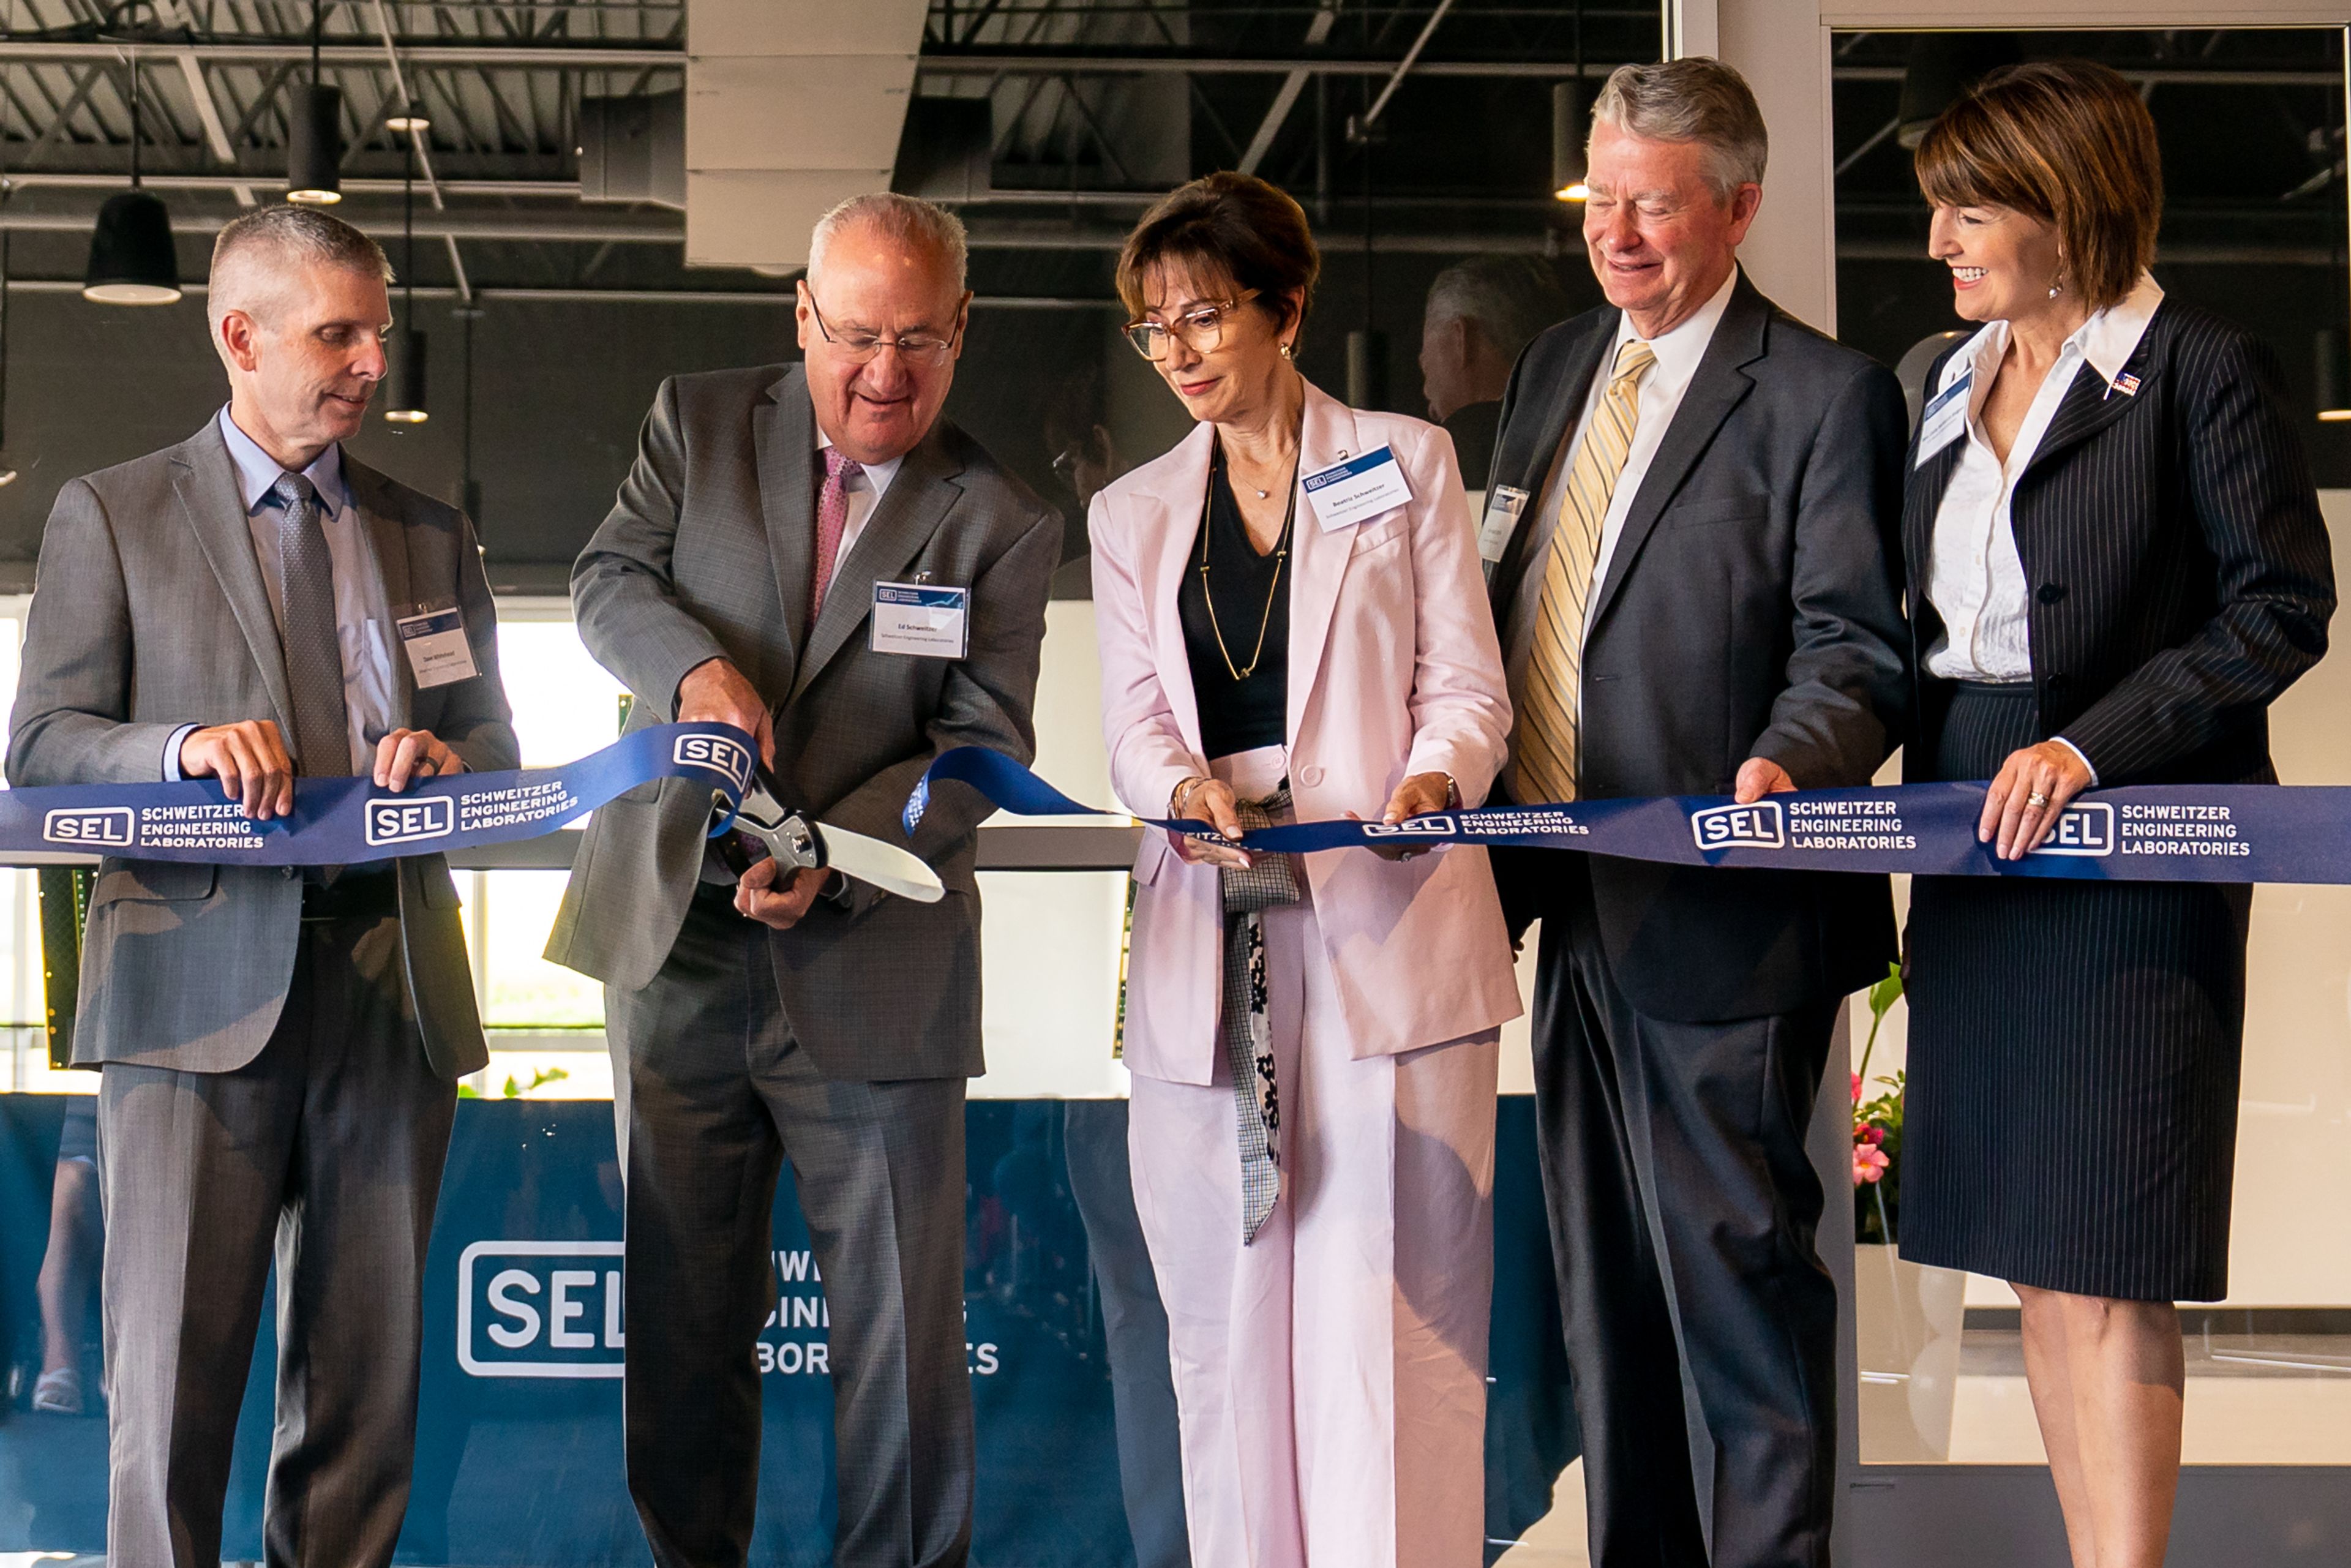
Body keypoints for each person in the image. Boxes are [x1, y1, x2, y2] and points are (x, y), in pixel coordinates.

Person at [545, 191, 1062, 1568]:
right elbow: (605, 578)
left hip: (871, 954)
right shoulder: (698, 419)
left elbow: (982, 746)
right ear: (802, 316)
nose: (883, 372)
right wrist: (691, 667)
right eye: (855, 336)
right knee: (680, 1321)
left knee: (901, 1348)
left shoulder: (1003, 517)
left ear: (964, 333)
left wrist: (831, 859)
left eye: (919, 341)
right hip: (678, 939)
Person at [6, 203, 516, 1568]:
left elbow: (497, 747)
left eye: (378, 332)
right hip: (190, 988)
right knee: (169, 1390)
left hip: (391, 985)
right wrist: (178, 748)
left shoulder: (430, 532)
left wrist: (445, 753)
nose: (369, 361)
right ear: (240, 336)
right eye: (336, 333)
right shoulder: (109, 512)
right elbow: (44, 748)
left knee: (367, 1391)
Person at [1899, 61, 2334, 1568]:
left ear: (2064, 207)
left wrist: (2090, 746)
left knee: (2108, 1249)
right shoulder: (1935, 378)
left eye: (1969, 210)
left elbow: (2278, 609)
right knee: (2029, 1258)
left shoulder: (2197, 366)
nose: (1940, 240)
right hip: (1969, 816)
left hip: (2126, 827)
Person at [1482, 59, 1909, 1567]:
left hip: (1723, 905)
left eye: (1651, 205)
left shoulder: (1820, 394)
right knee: (1603, 1285)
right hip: (1560, 889)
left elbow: (1855, 646)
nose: (1616, 232)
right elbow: (1510, 598)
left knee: (1732, 1277)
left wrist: (1791, 757)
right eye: (1598, 198)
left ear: (1735, 206)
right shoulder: (1550, 373)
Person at [1091, 170, 1521, 1568]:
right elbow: (1135, 718)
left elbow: (1469, 685)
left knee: (1390, 1306)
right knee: (1224, 1309)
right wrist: (1178, 787)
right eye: (1154, 328)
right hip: (1210, 913)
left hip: (1387, 910)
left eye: (1201, 315)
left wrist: (1433, 776)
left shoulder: (1402, 460)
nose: (1177, 350)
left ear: (1283, 305)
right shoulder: (1133, 508)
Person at [1419, 253, 1569, 489]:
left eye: (1426, 362)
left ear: (1461, 339)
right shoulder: (1582, 426)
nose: (1430, 408)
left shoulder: (1454, 446)